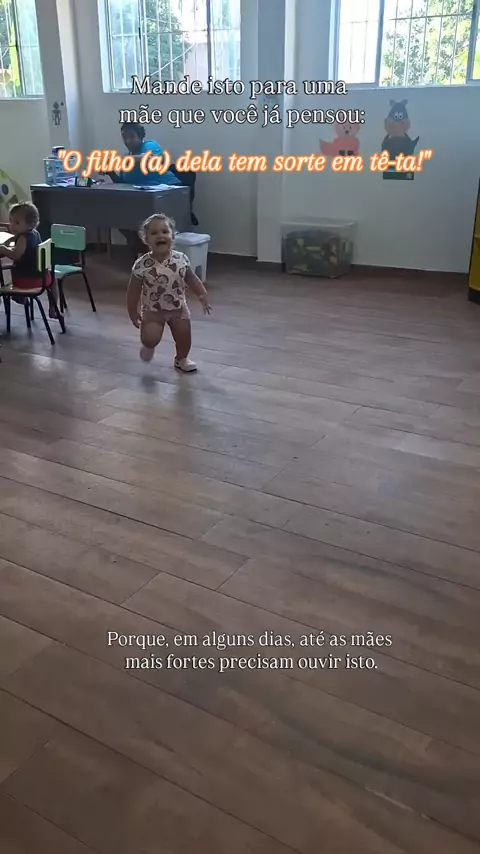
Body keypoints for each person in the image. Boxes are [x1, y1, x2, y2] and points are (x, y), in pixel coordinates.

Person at [127, 213, 210, 372]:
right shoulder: (142, 265)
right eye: (154, 233)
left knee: (184, 337)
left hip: (178, 308)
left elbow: (192, 279)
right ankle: (148, 346)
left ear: (173, 235)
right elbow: (133, 290)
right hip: (153, 311)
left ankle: (181, 358)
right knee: (150, 338)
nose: (160, 236)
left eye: (165, 231)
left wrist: (202, 294)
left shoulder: (181, 259)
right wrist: (132, 311)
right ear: (146, 239)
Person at [104, 122, 181, 258]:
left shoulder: (150, 146)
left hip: (167, 195)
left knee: (151, 223)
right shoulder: (126, 158)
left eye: (131, 136)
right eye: (124, 137)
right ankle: (144, 251)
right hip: (142, 197)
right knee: (120, 218)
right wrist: (110, 172)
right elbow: (124, 183)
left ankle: (151, 251)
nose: (128, 141)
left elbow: (149, 158)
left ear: (140, 136)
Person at [0, 201, 61, 319]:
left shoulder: (23, 238)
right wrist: (11, 240)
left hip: (26, 281)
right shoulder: (34, 233)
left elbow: (16, 255)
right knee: (53, 281)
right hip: (43, 278)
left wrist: (4, 249)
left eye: (17, 222)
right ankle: (53, 308)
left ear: (30, 224)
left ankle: (19, 297)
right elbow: (23, 245)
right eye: (11, 221)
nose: (12, 226)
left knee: (12, 277)